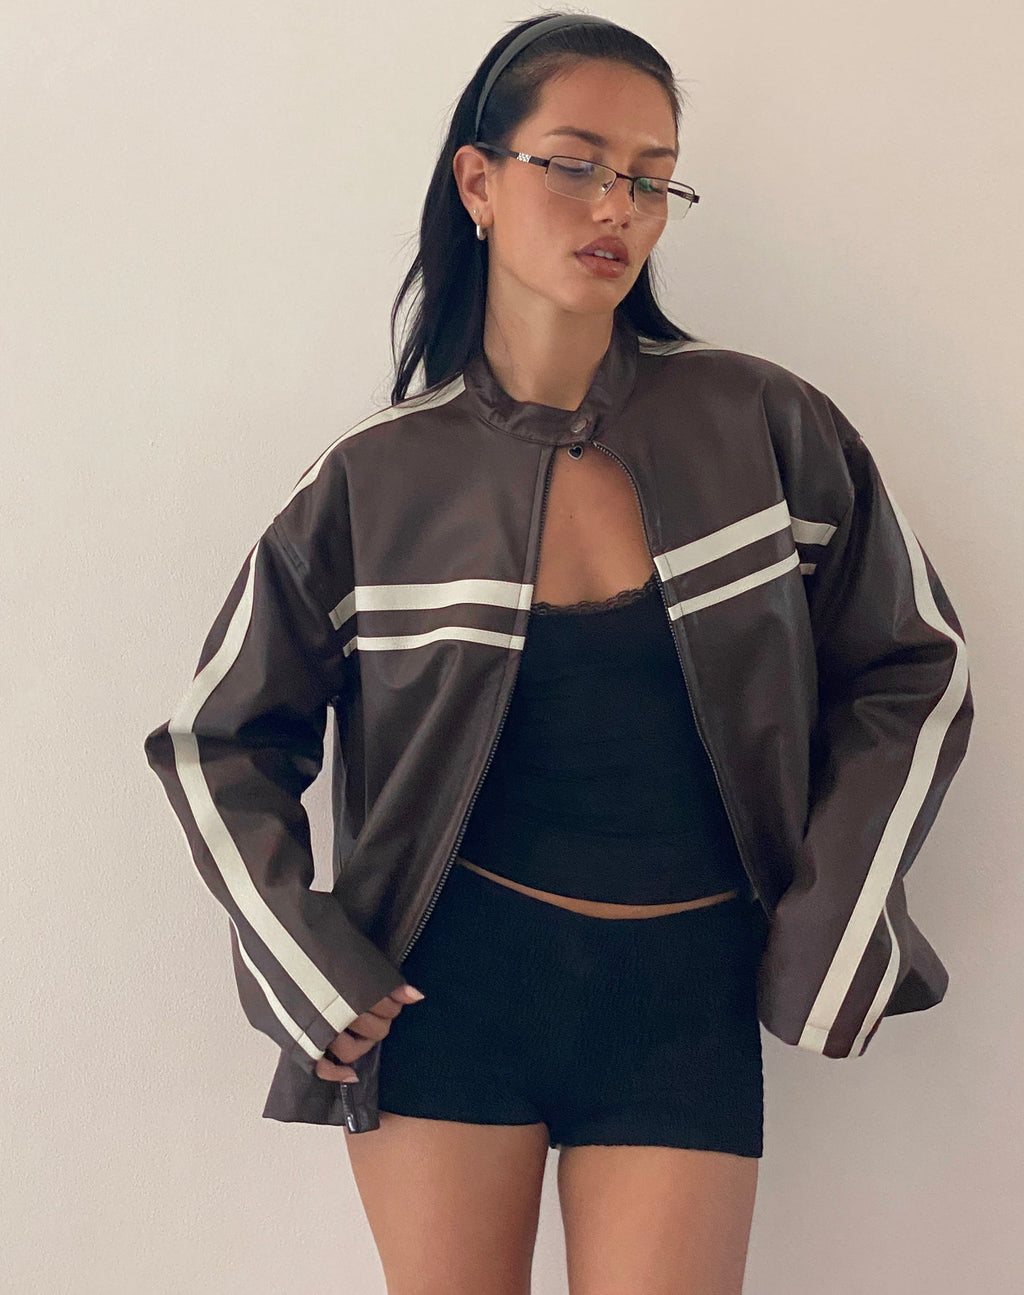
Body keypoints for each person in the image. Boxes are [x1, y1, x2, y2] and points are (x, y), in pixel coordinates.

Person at [143, 12, 974, 1294]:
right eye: (576, 163)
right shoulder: (373, 482)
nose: (616, 206)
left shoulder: (765, 424)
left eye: (651, 177)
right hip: (446, 995)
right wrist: (304, 956)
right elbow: (215, 740)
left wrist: (836, 910)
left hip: (683, 996)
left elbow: (913, 668)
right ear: (477, 181)